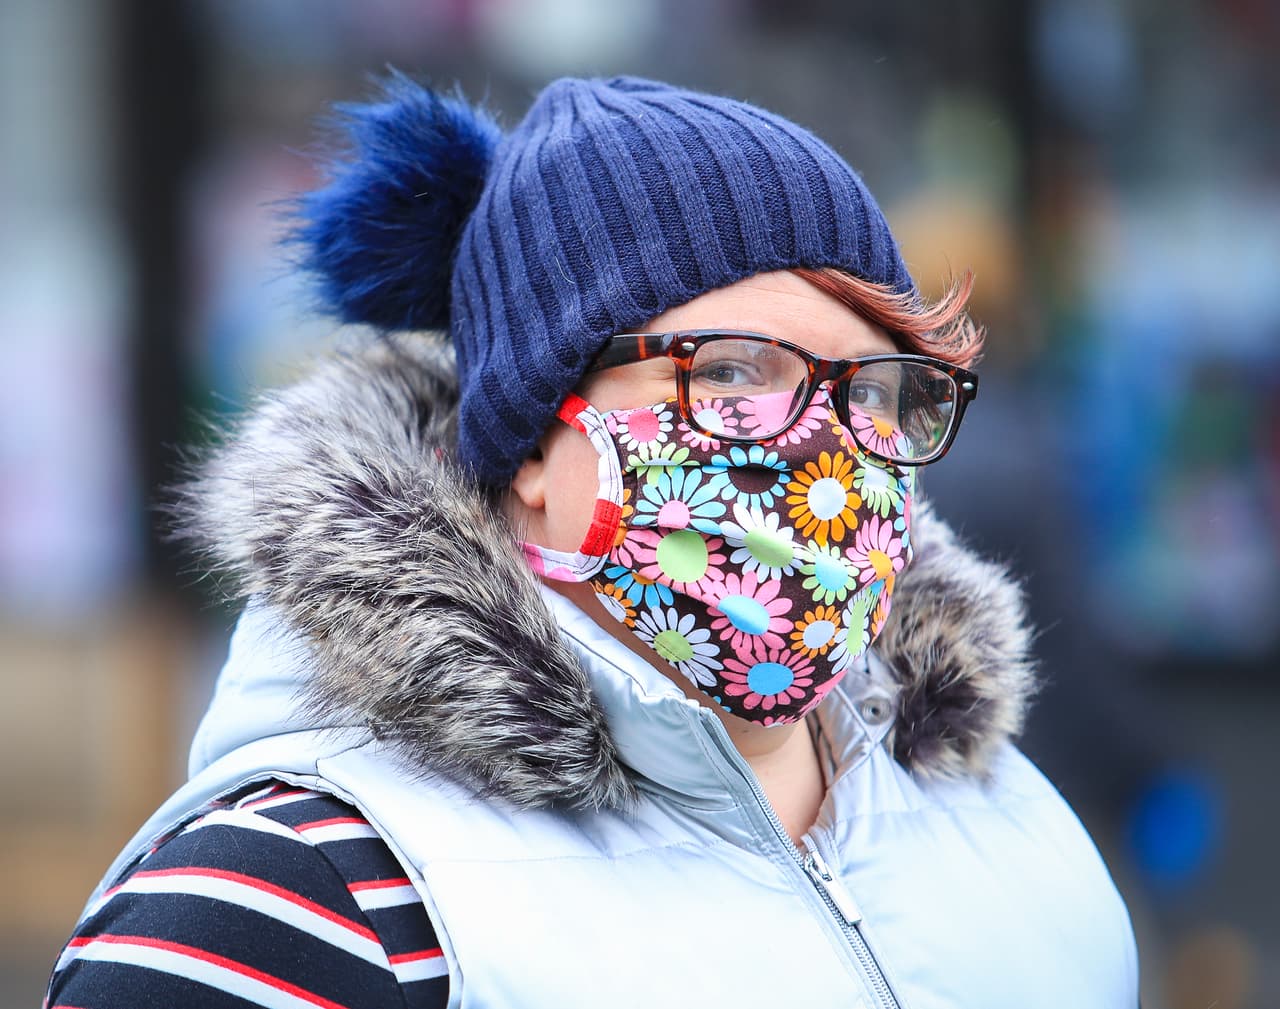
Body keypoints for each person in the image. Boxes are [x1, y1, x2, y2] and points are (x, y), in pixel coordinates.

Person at [46, 74, 1139, 1008]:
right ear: (531, 437)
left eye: (873, 388)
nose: (820, 447)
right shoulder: (289, 911)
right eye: (731, 371)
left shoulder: (1014, 838)